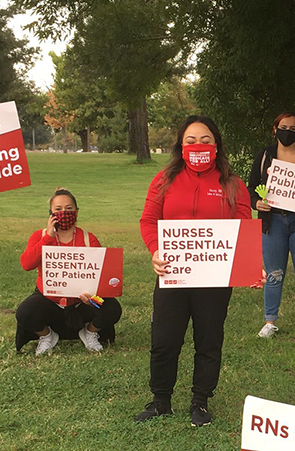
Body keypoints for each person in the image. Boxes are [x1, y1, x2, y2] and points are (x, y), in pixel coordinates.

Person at [135, 116, 252, 428]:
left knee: (209, 340)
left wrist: (251, 265)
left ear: (216, 145)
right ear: (180, 145)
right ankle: (160, 400)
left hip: (214, 278)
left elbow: (243, 228)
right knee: (164, 339)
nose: (197, 146)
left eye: (205, 140)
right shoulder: (164, 180)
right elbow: (148, 220)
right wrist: (156, 250)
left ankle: (200, 401)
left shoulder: (232, 184)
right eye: (190, 141)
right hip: (173, 273)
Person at [15, 187, 122, 354]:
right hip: (49, 299)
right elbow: (27, 264)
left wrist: (92, 294)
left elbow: (101, 273)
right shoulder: (39, 236)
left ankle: (90, 333)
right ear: (50, 213)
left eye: (69, 209)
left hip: (82, 300)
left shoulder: (88, 238)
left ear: (77, 212)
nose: (64, 212)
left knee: (112, 307)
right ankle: (47, 336)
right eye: (58, 209)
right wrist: (48, 238)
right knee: (25, 312)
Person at [248, 112, 295, 338]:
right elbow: (251, 188)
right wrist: (257, 203)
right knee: (274, 274)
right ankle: (270, 322)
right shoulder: (264, 156)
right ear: (274, 129)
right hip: (273, 222)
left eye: (293, 128)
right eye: (283, 127)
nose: (287, 132)